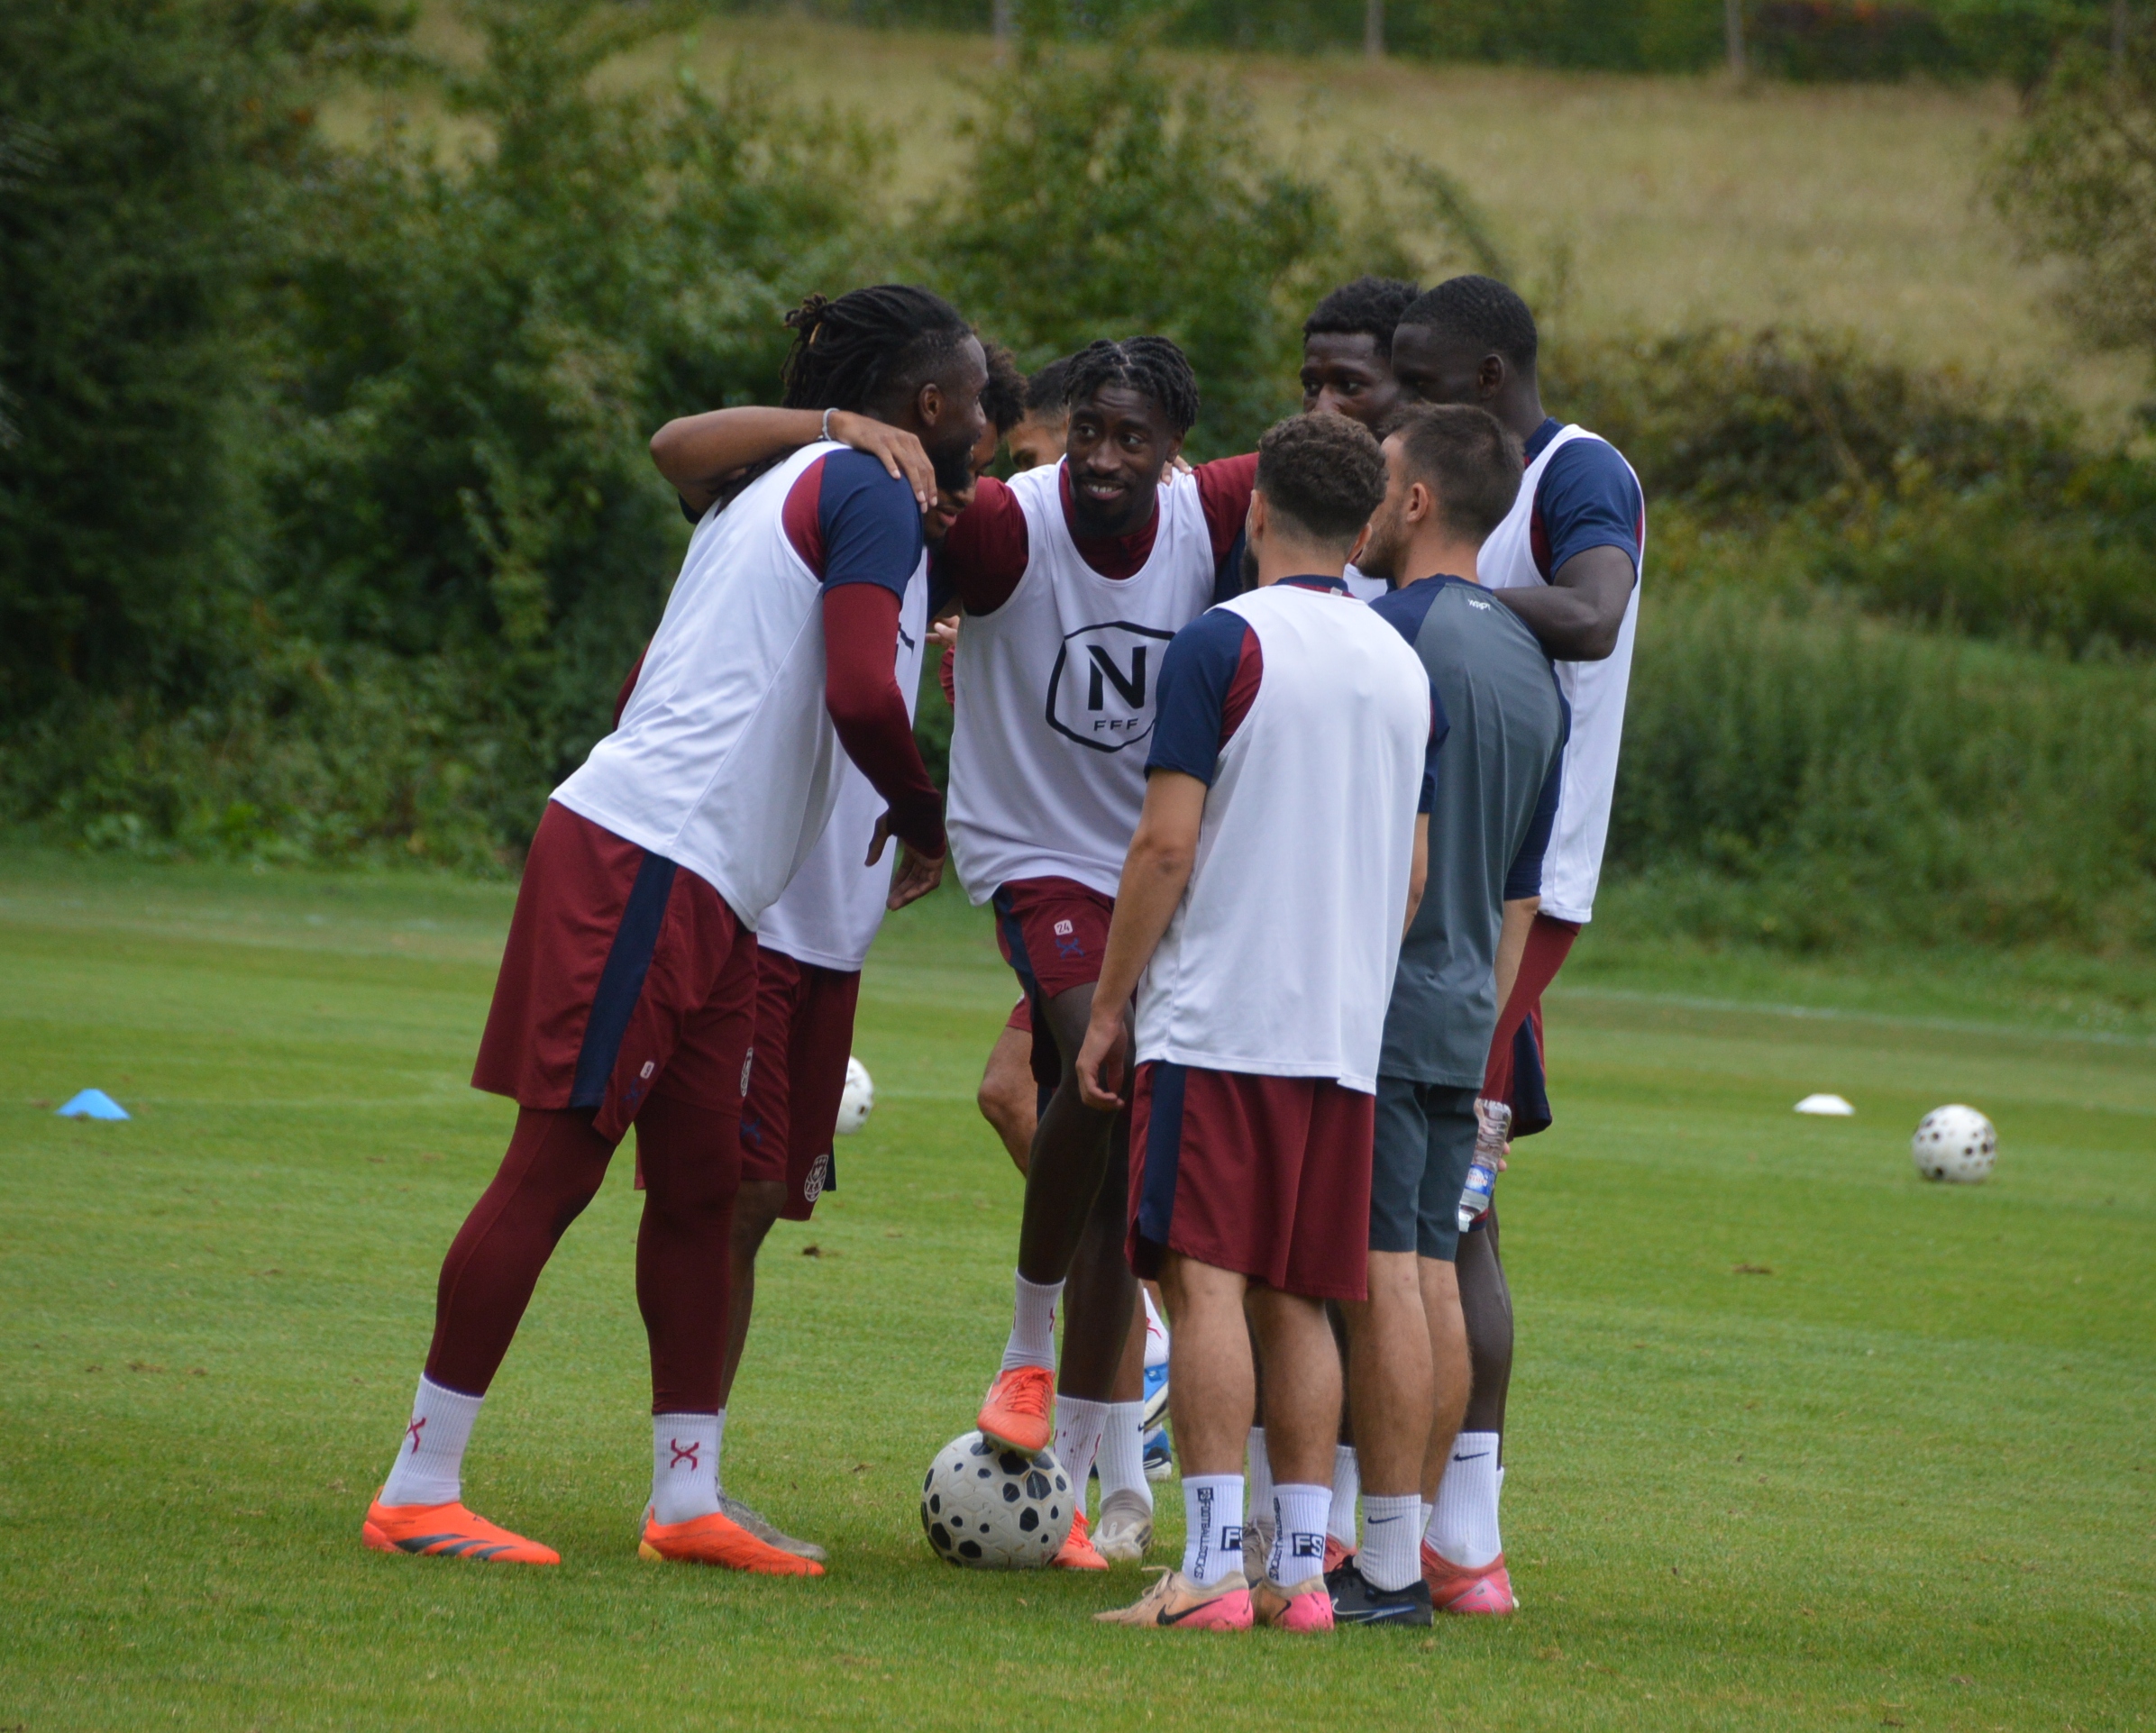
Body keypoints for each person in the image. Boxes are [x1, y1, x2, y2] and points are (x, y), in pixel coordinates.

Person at [359, 285, 982, 1574]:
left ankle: (687, 1500)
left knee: (702, 1187)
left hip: (711, 888)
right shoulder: (864, 485)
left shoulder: (778, 479)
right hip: (652, 856)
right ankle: (418, 1487)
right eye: (975, 401)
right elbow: (864, 691)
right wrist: (927, 816)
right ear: (929, 404)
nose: (983, 422)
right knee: (554, 1166)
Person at [1075, 411, 1436, 1633]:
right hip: (1341, 1036)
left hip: (1219, 1021)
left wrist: (1110, 1005)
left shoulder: (1221, 641)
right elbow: (1415, 877)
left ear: (1258, 509)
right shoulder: (1403, 664)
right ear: (1368, 527)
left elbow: (1164, 847)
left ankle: (1212, 1570)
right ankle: (1301, 1579)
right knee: (1297, 1296)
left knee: (1208, 1287)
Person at [936, 338, 1258, 1573]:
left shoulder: (1207, 512)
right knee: (1100, 1072)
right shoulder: (1009, 529)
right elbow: (889, 523)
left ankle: (1091, 1480)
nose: (1104, 458)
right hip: (1036, 860)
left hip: (1154, 874)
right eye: (1088, 432)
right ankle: (1027, 1348)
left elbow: (1348, 459)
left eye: (1133, 439)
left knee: (1117, 1149)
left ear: (1175, 451)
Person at [1387, 274, 1645, 1614]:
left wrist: (1449, 603)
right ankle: (1447, 1536)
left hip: (1515, 894)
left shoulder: (1578, 473)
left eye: (1421, 379)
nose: (1400, 401)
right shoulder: (1447, 485)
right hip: (1454, 882)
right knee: (1450, 1204)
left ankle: (1458, 1539)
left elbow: (1594, 613)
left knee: (1443, 1206)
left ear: (1490, 378)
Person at [1325, 404, 1567, 1627]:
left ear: (1416, 501)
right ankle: (1409, 1550)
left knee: (1379, 1274)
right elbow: (1524, 892)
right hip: (1467, 1010)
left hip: (1375, 1001)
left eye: (1380, 481)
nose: (1364, 507)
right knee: (1427, 1268)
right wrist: (1485, 1032)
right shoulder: (1535, 666)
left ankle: (1380, 1565)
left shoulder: (1392, 637)